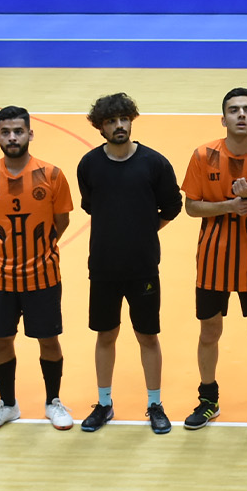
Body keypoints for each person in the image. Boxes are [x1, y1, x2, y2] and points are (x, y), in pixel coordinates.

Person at [181, 88, 247, 432]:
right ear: (223, 118)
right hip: (212, 262)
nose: (241, 114)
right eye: (234, 110)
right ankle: (208, 400)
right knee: (209, 332)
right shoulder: (203, 155)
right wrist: (230, 205)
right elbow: (191, 207)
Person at [76, 93, 184, 434]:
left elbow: (172, 206)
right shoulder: (89, 165)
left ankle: (155, 404)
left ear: (131, 120)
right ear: (100, 127)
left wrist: (143, 229)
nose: (119, 125)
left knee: (147, 336)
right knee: (105, 335)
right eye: (111, 121)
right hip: (103, 268)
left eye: (124, 119)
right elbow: (92, 205)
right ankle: (104, 404)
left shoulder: (155, 164)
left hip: (143, 268)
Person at [0, 107, 76, 431]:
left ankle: (53, 401)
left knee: (48, 340)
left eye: (18, 131)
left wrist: (37, 249)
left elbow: (61, 220)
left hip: (42, 275)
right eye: (6, 132)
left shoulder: (52, 175)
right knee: (1, 341)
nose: (12, 137)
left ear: (30, 133)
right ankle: (8, 404)